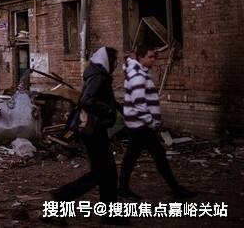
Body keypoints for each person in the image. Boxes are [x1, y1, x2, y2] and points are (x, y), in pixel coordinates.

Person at [52, 47, 126, 225]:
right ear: (107, 60)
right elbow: (87, 101)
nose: (116, 64)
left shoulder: (98, 74)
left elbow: (104, 99)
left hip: (95, 130)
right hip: (94, 131)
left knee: (108, 173)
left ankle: (109, 214)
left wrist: (120, 108)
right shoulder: (99, 76)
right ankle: (62, 197)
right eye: (114, 60)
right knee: (101, 173)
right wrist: (109, 110)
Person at [119, 45, 196, 199]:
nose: (153, 60)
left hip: (137, 124)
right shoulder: (137, 75)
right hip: (141, 125)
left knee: (133, 157)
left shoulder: (138, 72)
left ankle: (123, 189)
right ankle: (176, 190)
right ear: (140, 57)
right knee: (158, 156)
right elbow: (139, 103)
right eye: (150, 57)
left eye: (154, 57)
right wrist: (151, 122)